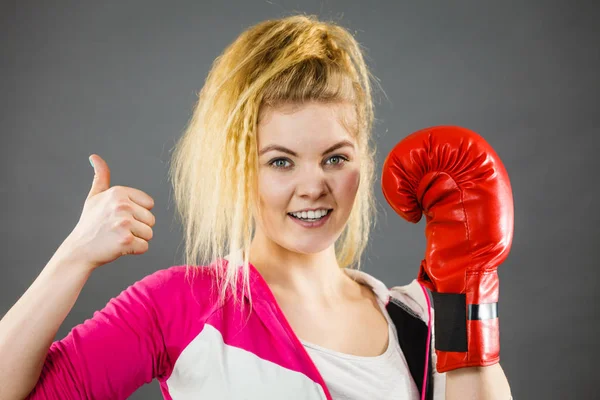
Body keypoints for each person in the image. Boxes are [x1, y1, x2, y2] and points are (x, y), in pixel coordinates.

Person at [0, 15, 513, 400]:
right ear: (240, 168)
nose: (314, 186)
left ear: (364, 162)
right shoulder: (183, 307)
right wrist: (75, 255)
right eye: (281, 162)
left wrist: (468, 284)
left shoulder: (420, 316)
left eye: (335, 157)